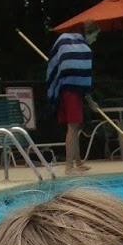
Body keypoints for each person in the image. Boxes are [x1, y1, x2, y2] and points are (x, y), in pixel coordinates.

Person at [45, 24, 96, 174]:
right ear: (89, 33)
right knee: (73, 127)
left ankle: (78, 162)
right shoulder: (84, 50)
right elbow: (82, 79)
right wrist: (90, 101)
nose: (95, 39)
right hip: (71, 93)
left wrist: (90, 101)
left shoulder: (67, 43)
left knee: (75, 127)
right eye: (95, 35)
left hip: (64, 90)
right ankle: (69, 166)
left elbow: (74, 73)